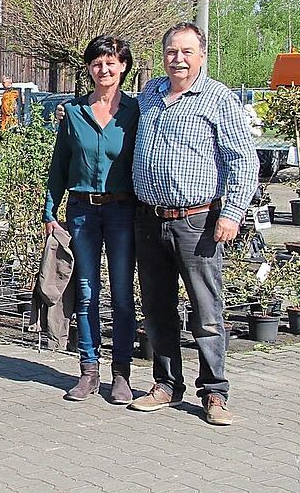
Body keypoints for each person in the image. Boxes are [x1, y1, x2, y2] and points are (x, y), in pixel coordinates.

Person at [129, 22, 258, 426]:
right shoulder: (150, 93)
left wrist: (232, 213)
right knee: (157, 307)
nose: (178, 59)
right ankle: (166, 385)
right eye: (171, 51)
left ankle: (214, 392)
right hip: (150, 220)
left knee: (206, 310)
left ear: (201, 55)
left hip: (197, 221)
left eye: (187, 52)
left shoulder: (218, 98)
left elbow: (243, 160)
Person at [43, 35, 139, 404]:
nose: (104, 69)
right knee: (85, 292)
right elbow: (60, 165)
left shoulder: (135, 112)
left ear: (123, 67)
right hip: (82, 211)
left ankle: (121, 373)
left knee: (122, 295)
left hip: (122, 211)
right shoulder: (74, 113)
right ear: (89, 68)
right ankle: (88, 370)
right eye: (97, 63)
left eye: (111, 62)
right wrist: (50, 210)